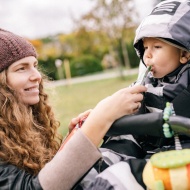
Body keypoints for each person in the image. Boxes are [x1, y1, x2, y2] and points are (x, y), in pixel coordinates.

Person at [0, 28, 146, 190]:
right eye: (21, 68)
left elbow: (45, 172)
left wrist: (71, 141)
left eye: (35, 65)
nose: (37, 76)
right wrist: (99, 120)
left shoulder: (22, 121)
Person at [78, 0, 190, 189]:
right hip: (145, 147)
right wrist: (105, 114)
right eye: (145, 48)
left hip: (177, 156)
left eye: (157, 47)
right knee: (97, 164)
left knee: (123, 176)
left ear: (184, 54)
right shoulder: (143, 85)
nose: (148, 55)